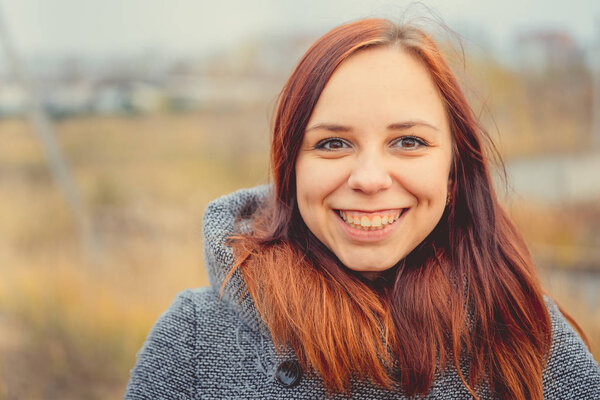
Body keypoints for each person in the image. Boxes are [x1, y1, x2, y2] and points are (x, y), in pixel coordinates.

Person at [124, 18, 600, 399]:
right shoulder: (194, 341)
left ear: (454, 172)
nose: (370, 179)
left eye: (408, 141)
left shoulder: (526, 333)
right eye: (332, 143)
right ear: (290, 169)